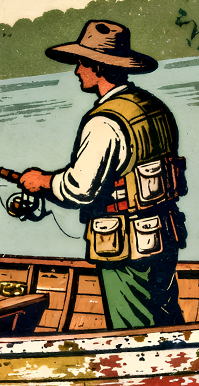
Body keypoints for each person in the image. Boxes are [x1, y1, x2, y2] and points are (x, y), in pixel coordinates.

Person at [19, 20, 187, 330]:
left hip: (126, 249)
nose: (76, 71)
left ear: (98, 66)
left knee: (134, 330)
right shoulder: (156, 107)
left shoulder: (103, 121)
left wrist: (42, 182)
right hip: (164, 236)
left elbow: (80, 189)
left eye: (82, 63)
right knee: (165, 318)